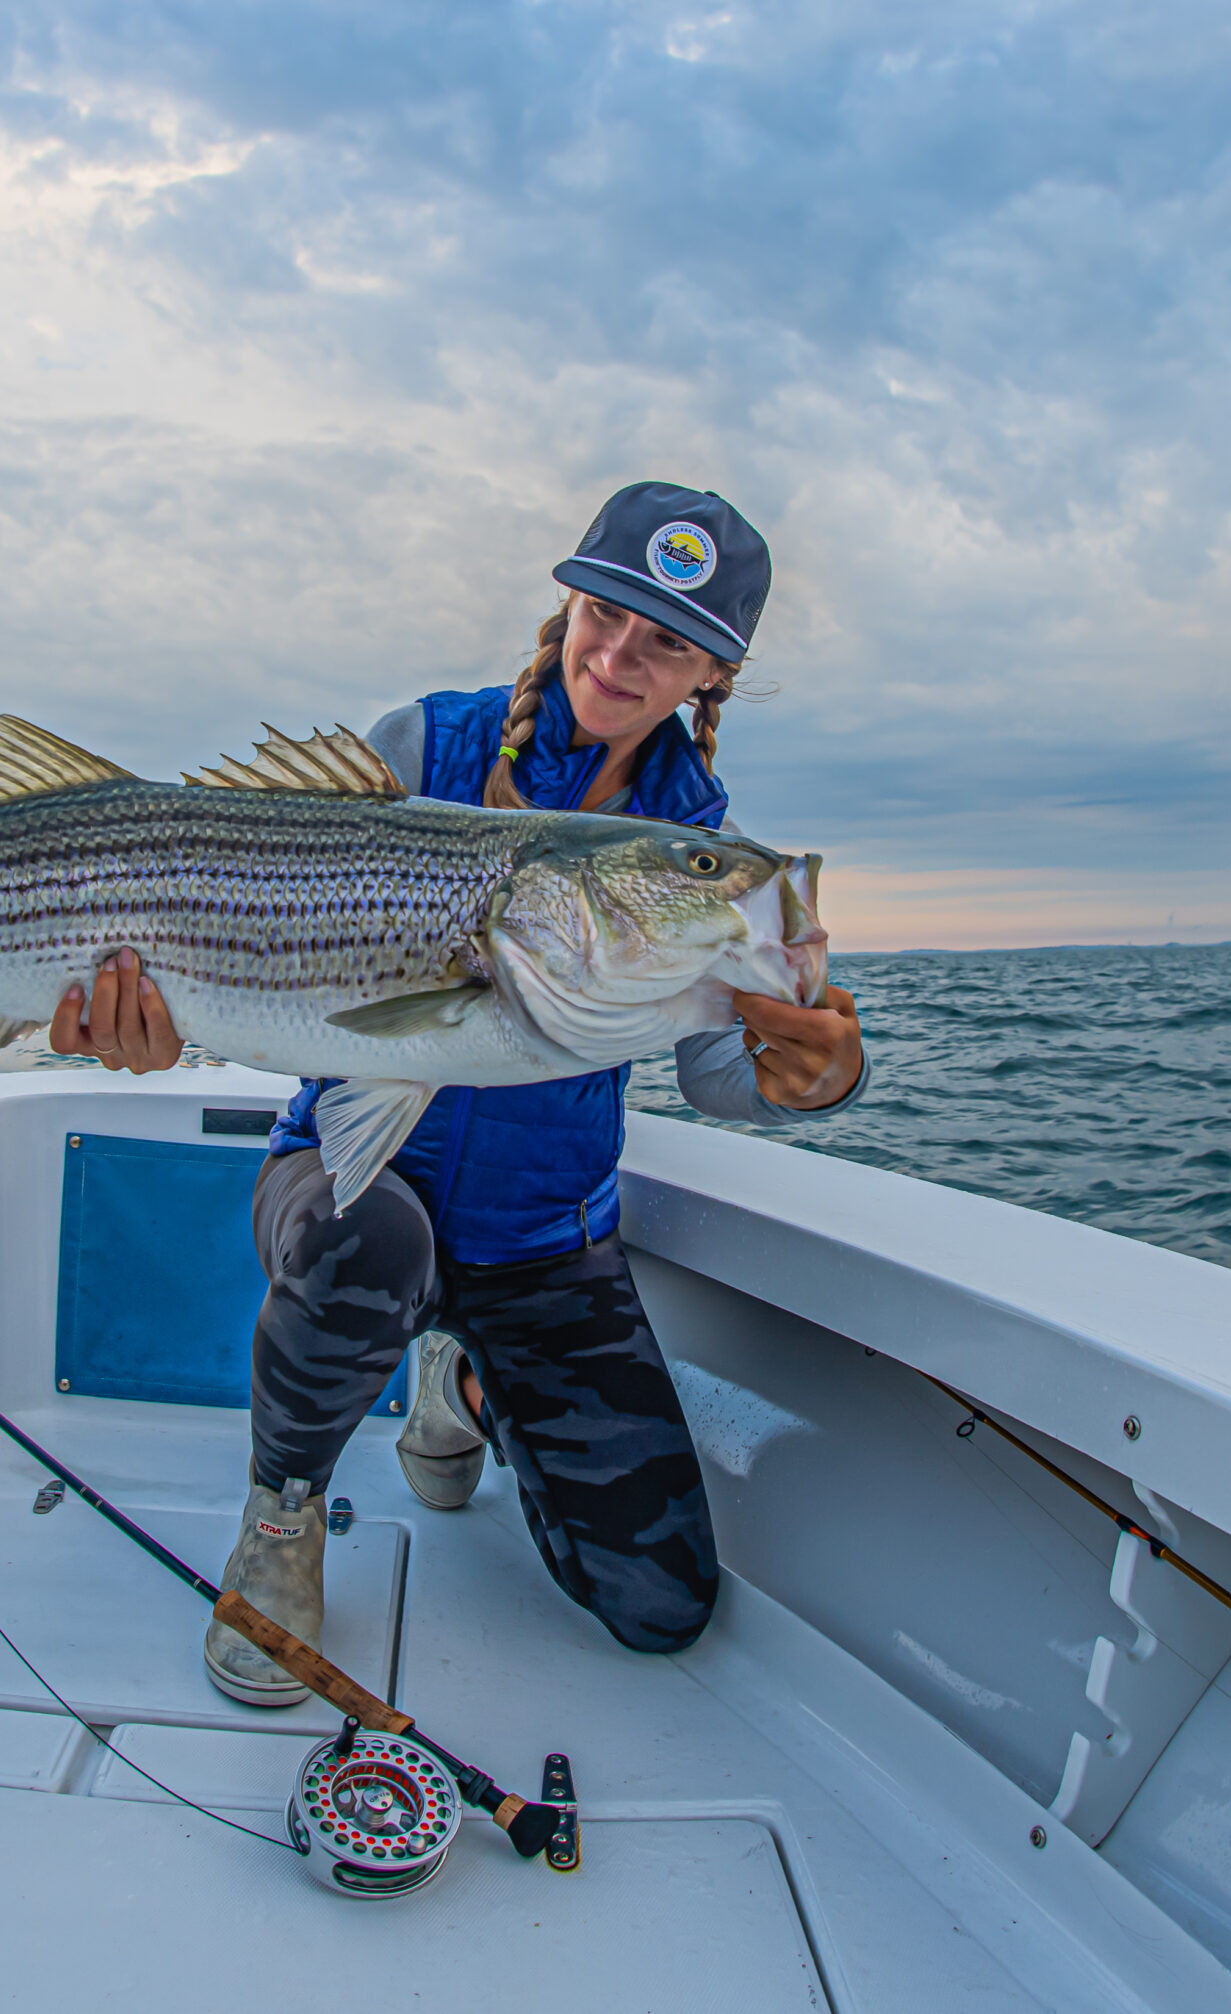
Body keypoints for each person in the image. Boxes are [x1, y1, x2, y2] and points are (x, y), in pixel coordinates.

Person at [47, 482, 867, 1706]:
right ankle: (281, 1514)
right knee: (364, 1233)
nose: (620, 656)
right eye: (606, 613)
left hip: (548, 1242)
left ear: (711, 674)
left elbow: (721, 1072)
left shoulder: (707, 849)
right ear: (569, 603)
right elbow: (244, 913)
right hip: (348, 1184)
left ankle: (463, 1380)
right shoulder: (428, 744)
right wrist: (150, 1018)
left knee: (659, 1605)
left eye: (668, 642)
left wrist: (816, 1073)